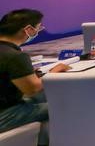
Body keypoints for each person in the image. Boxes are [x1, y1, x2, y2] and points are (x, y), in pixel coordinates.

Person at [0, 9, 68, 137]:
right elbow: (32, 89)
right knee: (64, 106)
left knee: (39, 100)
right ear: (29, 30)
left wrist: (28, 75)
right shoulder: (15, 56)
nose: (39, 31)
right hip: (5, 114)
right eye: (38, 28)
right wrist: (53, 72)